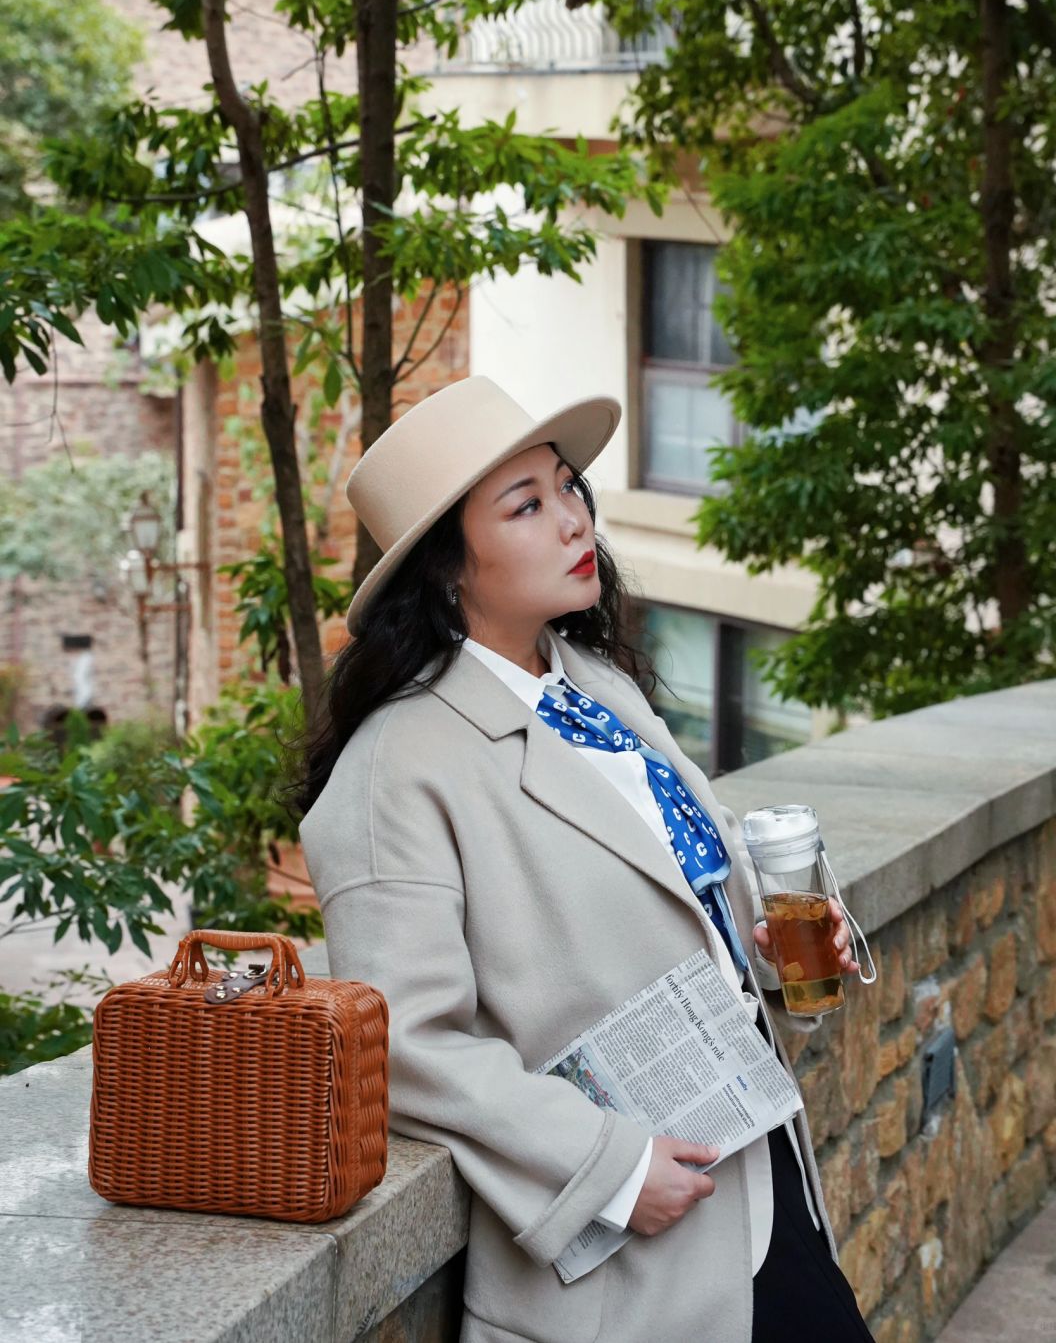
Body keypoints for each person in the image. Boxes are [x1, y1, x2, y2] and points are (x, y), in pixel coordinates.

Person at [295, 376, 875, 1343]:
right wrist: (605, 1166)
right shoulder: (397, 766)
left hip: (763, 1179)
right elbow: (403, 1041)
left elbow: (687, 899)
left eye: (568, 486)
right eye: (526, 504)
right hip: (628, 1263)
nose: (574, 520)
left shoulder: (597, 687)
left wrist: (775, 952)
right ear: (446, 569)